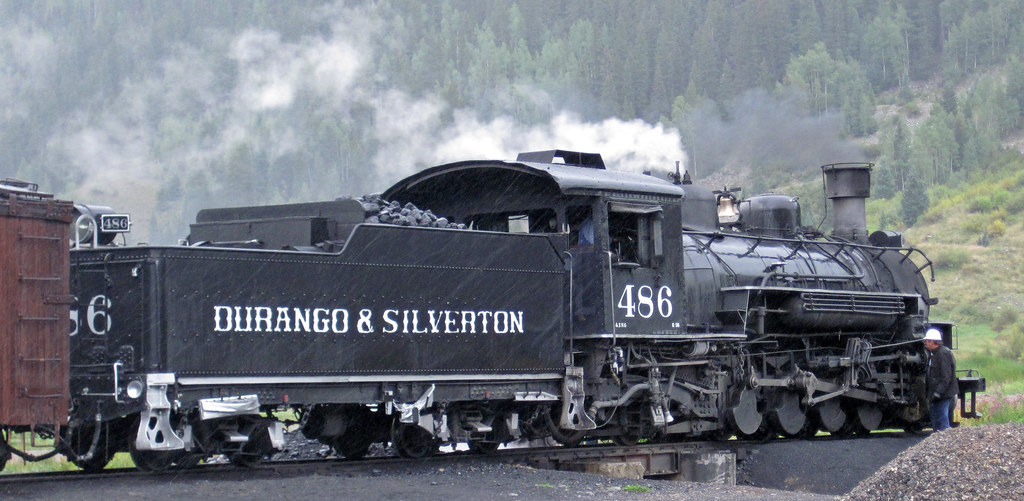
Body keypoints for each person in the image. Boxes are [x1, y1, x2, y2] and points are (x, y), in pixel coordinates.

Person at [923, 327, 958, 431]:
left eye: (927, 341)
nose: (925, 343)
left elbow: (945, 377)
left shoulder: (942, 354)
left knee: (942, 419)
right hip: (936, 394)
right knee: (936, 419)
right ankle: (937, 441)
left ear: (933, 342)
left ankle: (944, 442)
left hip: (943, 395)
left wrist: (938, 392)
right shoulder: (934, 354)